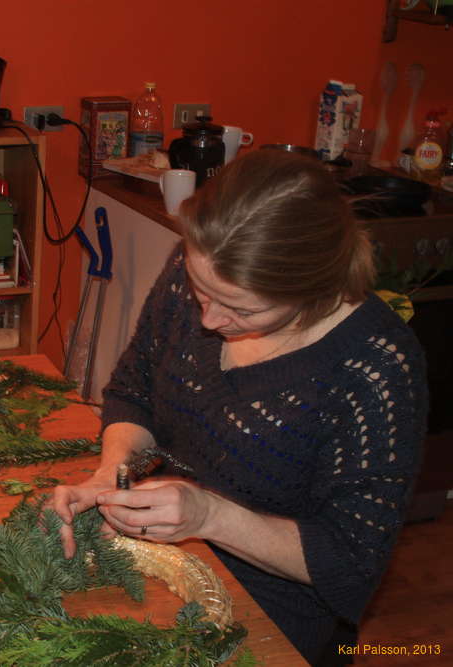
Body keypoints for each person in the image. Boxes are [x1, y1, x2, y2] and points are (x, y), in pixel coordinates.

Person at [52, 150, 428, 666]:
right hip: (165, 574)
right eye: (200, 288)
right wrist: (110, 472)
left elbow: (350, 561)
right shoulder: (196, 273)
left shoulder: (375, 369)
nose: (207, 318)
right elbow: (134, 389)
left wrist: (210, 516)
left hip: (271, 621)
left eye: (242, 308)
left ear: (314, 289)